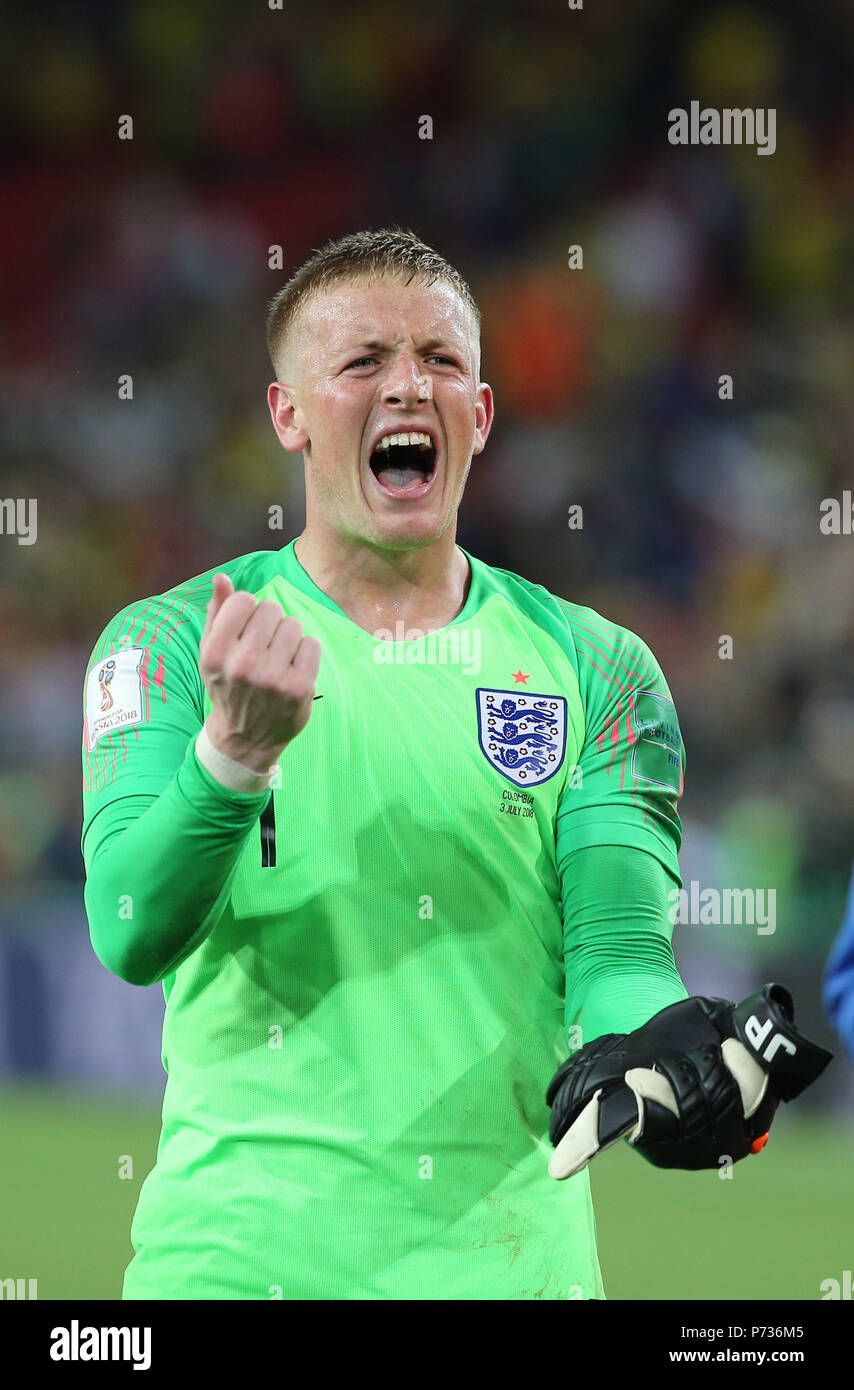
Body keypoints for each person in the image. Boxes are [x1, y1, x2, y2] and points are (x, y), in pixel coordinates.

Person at [80, 227, 752, 1300]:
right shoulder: (169, 644)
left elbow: (617, 952)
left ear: (478, 416)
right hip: (240, 1271)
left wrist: (656, 1045)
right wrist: (231, 756)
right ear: (287, 415)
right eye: (362, 363)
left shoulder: (598, 667)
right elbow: (125, 924)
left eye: (440, 361)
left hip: (515, 1278)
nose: (408, 387)